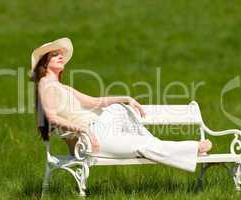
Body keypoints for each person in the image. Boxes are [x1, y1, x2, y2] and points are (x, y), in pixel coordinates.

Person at [30, 37, 212, 172]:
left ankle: (189, 151)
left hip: (98, 129)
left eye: (61, 55)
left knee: (122, 112)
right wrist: (83, 131)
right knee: (141, 145)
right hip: (91, 137)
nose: (61, 57)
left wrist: (126, 98)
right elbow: (52, 117)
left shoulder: (62, 87)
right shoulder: (46, 85)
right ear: (44, 63)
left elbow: (94, 102)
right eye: (55, 55)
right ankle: (193, 149)